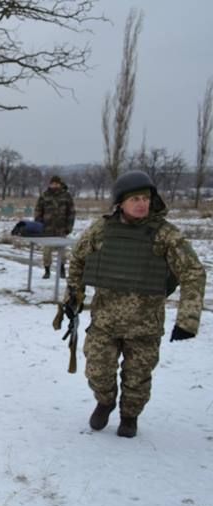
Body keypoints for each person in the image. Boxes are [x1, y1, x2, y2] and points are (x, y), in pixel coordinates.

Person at [65, 170, 205, 438]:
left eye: (146, 198)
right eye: (135, 199)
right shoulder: (102, 229)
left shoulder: (165, 235)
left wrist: (187, 320)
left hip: (145, 326)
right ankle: (104, 402)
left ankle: (130, 416)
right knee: (97, 369)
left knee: (137, 378)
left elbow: (193, 272)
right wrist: (74, 296)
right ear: (121, 203)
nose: (142, 204)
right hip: (105, 321)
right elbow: (78, 260)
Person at [34, 175, 76, 278]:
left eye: (57, 183)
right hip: (47, 229)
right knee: (47, 251)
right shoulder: (44, 195)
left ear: (60, 184)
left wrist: (69, 227)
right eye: (53, 183)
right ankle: (47, 270)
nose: (55, 185)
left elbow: (71, 212)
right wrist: (39, 225)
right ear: (50, 184)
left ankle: (62, 269)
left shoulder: (66, 196)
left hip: (62, 229)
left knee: (62, 251)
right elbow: (38, 211)